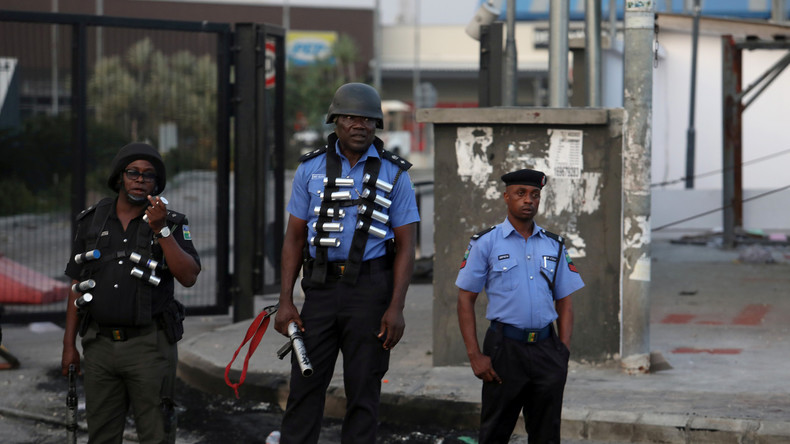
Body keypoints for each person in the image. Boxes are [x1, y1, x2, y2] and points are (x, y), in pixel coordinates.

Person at [274, 82, 419, 444]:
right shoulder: (310, 170)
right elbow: (293, 238)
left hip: (371, 291)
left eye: (369, 119)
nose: (361, 125)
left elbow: (406, 246)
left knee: (363, 391)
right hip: (320, 290)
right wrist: (286, 301)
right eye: (352, 117)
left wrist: (396, 307)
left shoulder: (395, 174)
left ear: (377, 126)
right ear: (335, 121)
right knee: (305, 387)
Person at [61, 142, 201, 444]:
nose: (140, 180)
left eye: (148, 175)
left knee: (157, 434)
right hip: (99, 347)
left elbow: (188, 275)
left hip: (149, 348)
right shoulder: (92, 221)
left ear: (156, 183)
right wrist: (69, 345)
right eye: (133, 173)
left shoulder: (171, 222)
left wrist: (161, 229)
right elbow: (76, 285)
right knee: (101, 435)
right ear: (119, 177)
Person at [455, 168, 584, 444]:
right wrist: (475, 354)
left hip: (547, 350)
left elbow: (565, 300)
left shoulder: (554, 245)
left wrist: (562, 350)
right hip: (504, 349)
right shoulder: (485, 243)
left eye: (535, 195)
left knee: (547, 434)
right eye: (521, 194)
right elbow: (465, 299)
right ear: (506, 197)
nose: (529, 200)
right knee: (495, 432)